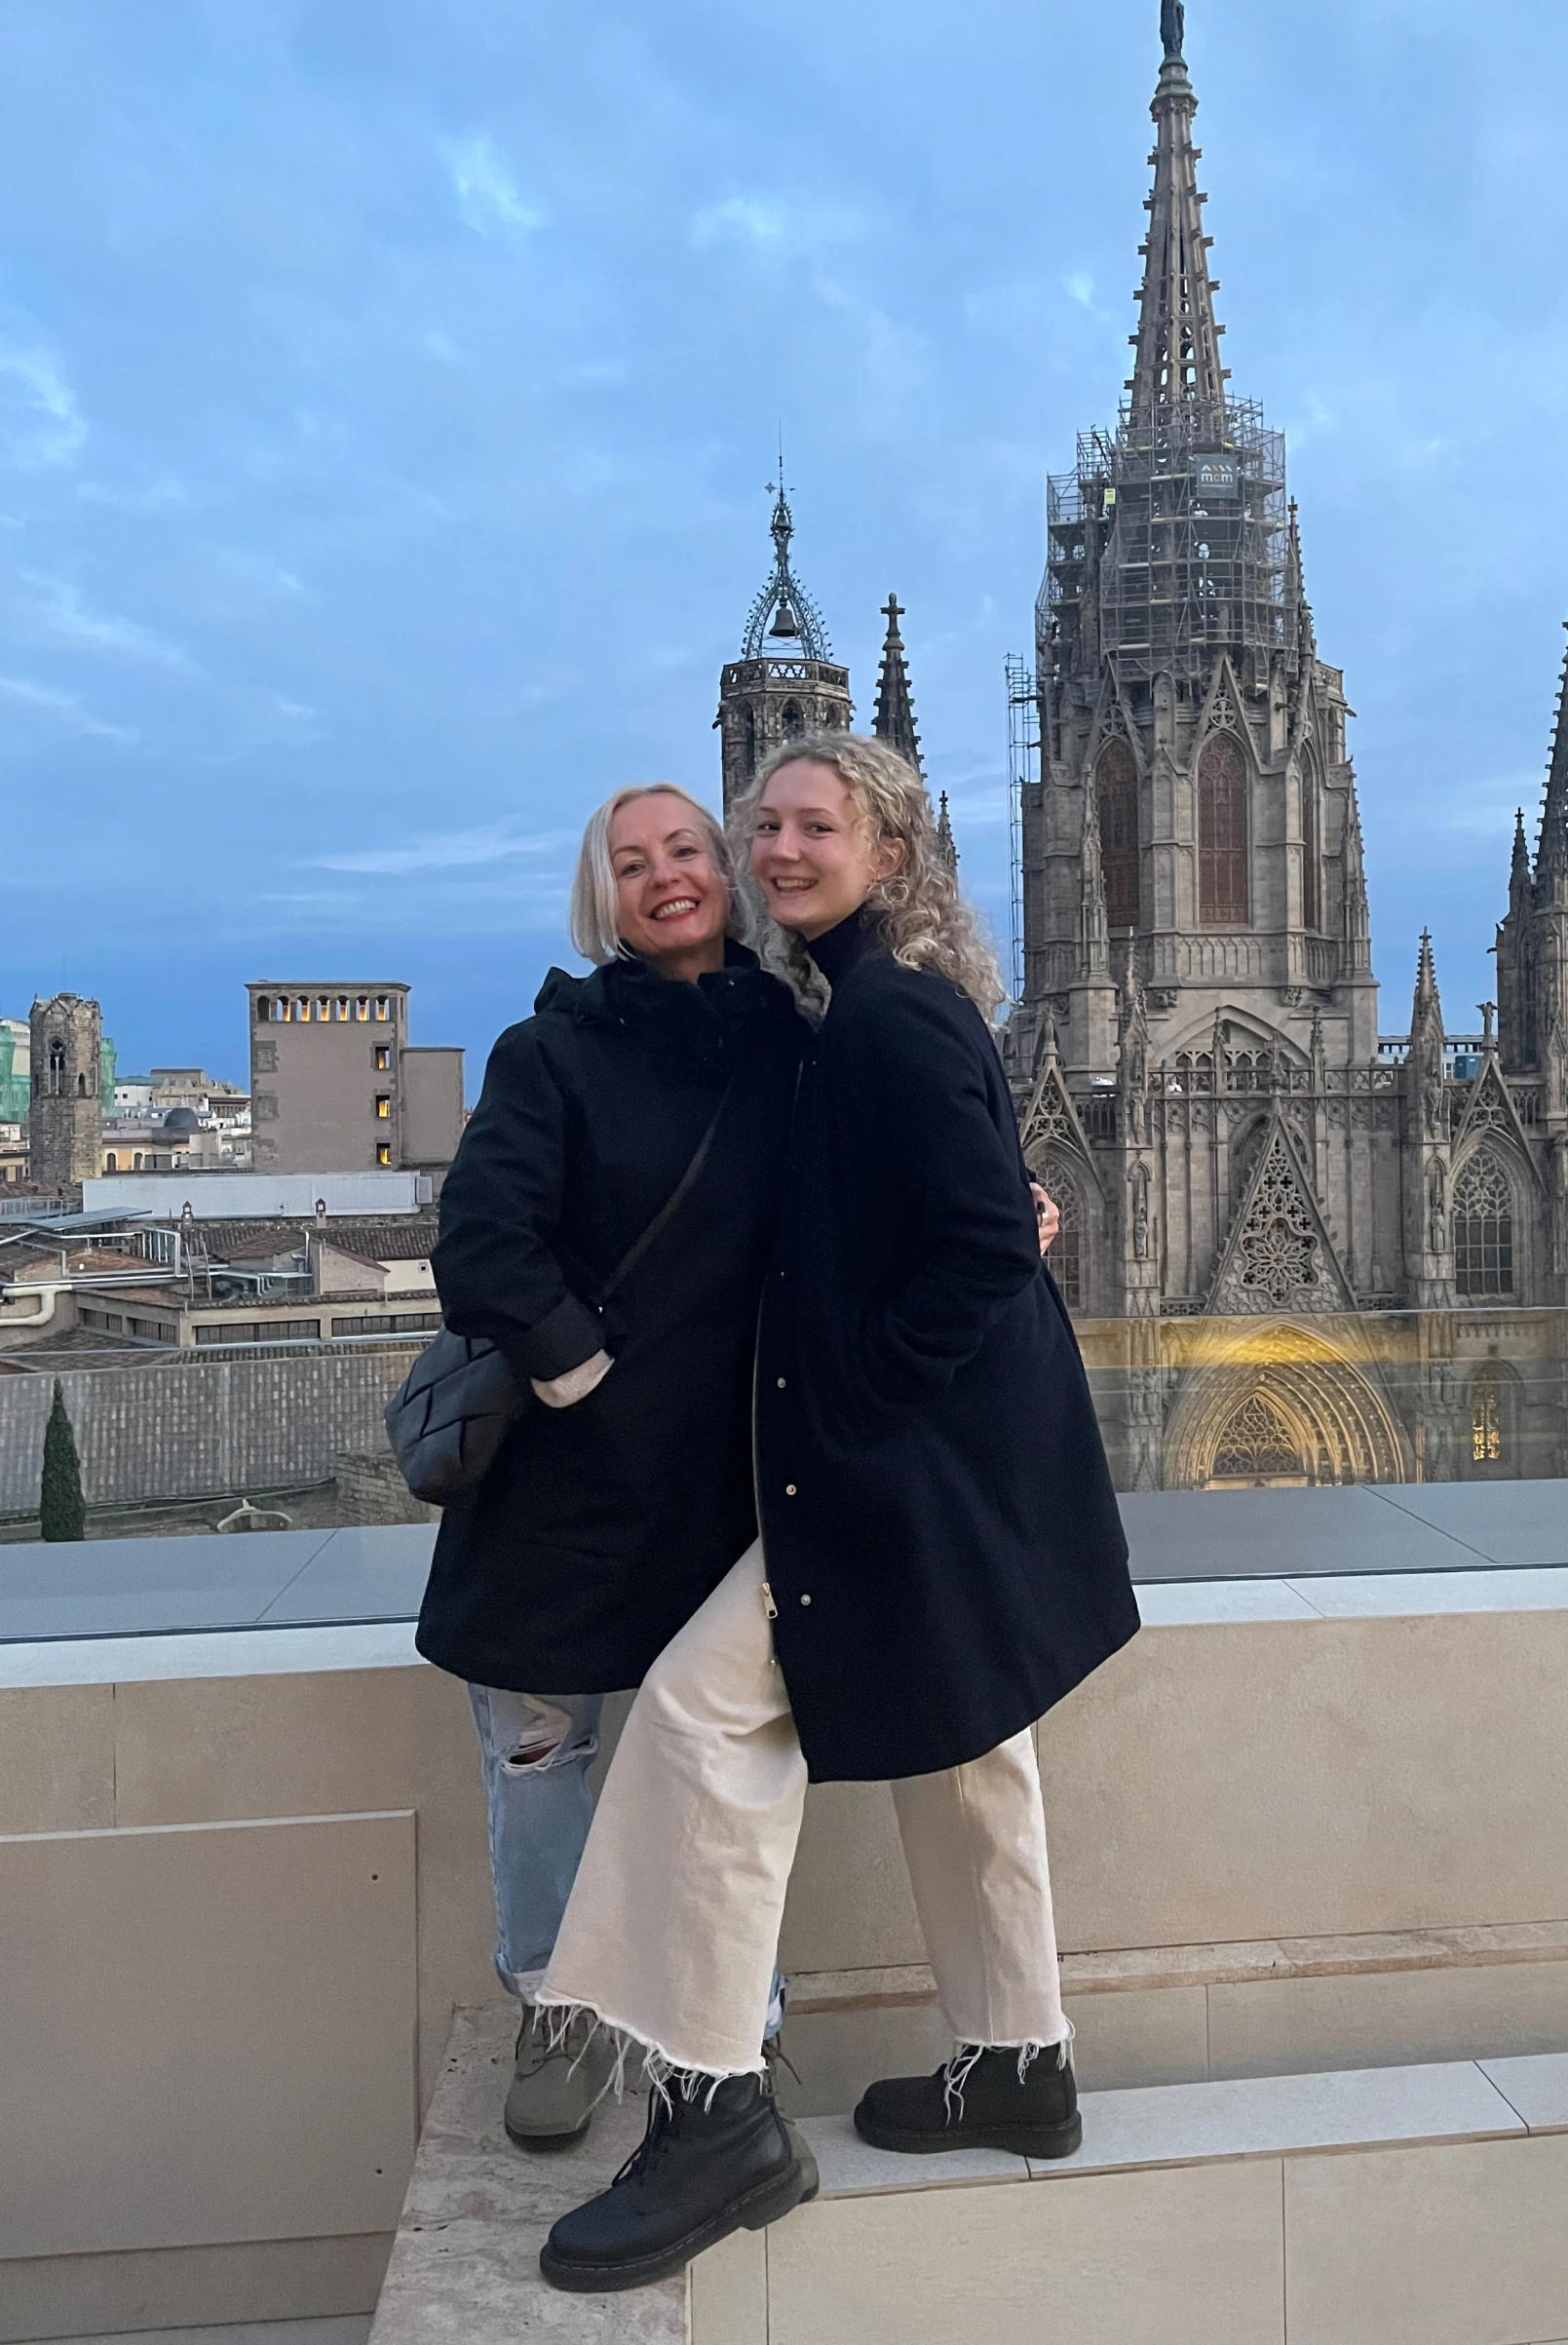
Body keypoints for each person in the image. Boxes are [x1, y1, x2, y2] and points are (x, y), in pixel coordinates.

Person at [535, 733, 1139, 2294]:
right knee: (970, 1744)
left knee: (696, 1721)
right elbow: (972, 1213)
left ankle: (716, 2112)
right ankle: (1018, 2060)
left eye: (818, 826)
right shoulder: (861, 1005)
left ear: (891, 852)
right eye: (769, 827)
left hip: (897, 1465)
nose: (783, 850)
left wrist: (861, 1398)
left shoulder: (887, 1013)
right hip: (955, 1466)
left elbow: (980, 1246)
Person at [416, 784, 808, 2150]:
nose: (664, 877)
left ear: (728, 868)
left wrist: (1012, 1206)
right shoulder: (552, 1050)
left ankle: (732, 2024)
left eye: (685, 851)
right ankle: (559, 2008)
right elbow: (482, 1242)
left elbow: (883, 1192)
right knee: (543, 1761)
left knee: (726, 1771)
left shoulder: (798, 1042)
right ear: (605, 899)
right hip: (564, 1492)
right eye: (630, 864)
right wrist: (584, 1375)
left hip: (729, 1489)